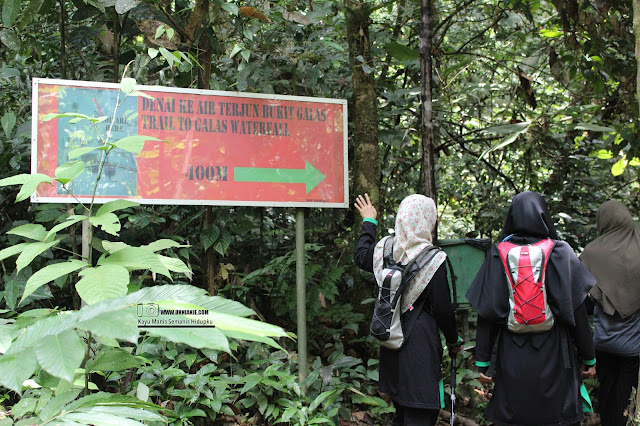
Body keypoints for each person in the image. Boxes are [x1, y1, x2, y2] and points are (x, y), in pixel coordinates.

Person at [466, 191, 597, 426]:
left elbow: (487, 312)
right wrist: (589, 357)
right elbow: (577, 310)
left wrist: (483, 361)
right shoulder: (560, 252)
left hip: (511, 352)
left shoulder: (498, 253)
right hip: (555, 351)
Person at [354, 193, 462, 426]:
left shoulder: (385, 249)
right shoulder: (433, 259)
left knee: (402, 411)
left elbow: (361, 255)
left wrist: (369, 221)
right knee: (420, 414)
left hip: (391, 341)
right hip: (419, 347)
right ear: (427, 220)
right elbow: (443, 310)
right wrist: (454, 341)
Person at [580, 200, 640, 426]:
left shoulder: (592, 253)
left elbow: (581, 304)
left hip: (603, 342)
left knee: (605, 395)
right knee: (627, 399)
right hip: (634, 346)